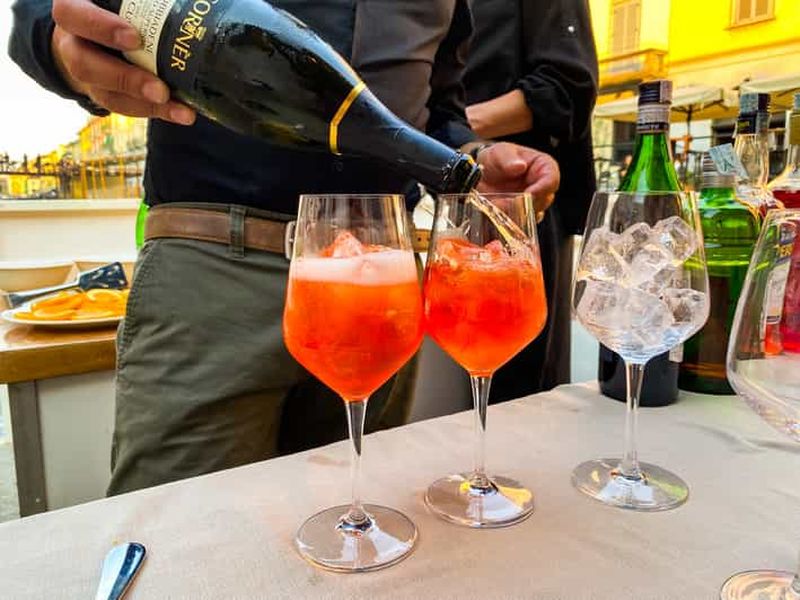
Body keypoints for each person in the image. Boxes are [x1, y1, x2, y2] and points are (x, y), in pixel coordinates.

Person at [9, 0, 560, 495]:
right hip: (213, 271)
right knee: (180, 529)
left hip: (381, 276)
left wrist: (472, 156)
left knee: (361, 512)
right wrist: (61, 47)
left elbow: (436, 114)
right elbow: (42, 13)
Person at [463, 0, 598, 401]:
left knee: (518, 383)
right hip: (452, 194)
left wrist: (446, 130)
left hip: (523, 201)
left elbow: (566, 90)